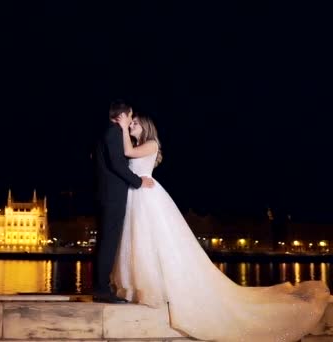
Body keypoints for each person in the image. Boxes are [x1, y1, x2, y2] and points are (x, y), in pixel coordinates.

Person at [109, 112, 331, 342]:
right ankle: (141, 288)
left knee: (152, 241)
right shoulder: (141, 143)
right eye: (130, 123)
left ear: (145, 127)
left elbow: (128, 153)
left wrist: (123, 127)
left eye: (135, 123)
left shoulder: (150, 143)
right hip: (138, 196)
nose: (131, 125)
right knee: (140, 242)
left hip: (146, 196)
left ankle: (154, 289)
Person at [92, 100, 155, 303]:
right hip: (112, 196)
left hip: (110, 194)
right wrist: (138, 181)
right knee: (108, 242)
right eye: (130, 116)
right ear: (123, 115)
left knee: (107, 241)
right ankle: (101, 289)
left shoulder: (110, 133)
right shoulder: (114, 133)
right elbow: (118, 164)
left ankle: (102, 286)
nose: (130, 121)